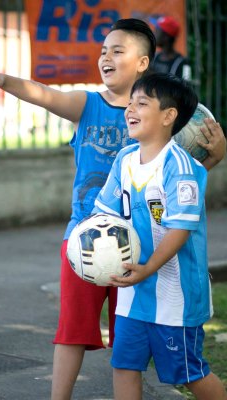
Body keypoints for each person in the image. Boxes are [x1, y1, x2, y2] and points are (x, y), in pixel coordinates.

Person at [0, 18, 226, 399]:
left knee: (158, 359)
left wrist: (215, 156)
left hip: (148, 256)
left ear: (143, 63)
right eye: (103, 50)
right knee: (89, 340)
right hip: (89, 242)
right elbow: (43, 94)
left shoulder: (168, 126)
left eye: (117, 50)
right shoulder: (95, 114)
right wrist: (4, 81)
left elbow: (176, 187)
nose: (105, 56)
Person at [93, 72, 227, 400]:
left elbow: (180, 229)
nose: (130, 109)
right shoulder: (124, 159)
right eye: (131, 102)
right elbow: (105, 215)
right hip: (134, 296)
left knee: (189, 373)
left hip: (175, 300)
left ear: (168, 116)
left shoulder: (180, 167)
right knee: (124, 365)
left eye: (142, 103)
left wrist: (148, 268)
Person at [151, 15, 192, 80]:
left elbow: (187, 87)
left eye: (157, 31)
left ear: (166, 37)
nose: (154, 33)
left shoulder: (184, 63)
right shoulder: (154, 57)